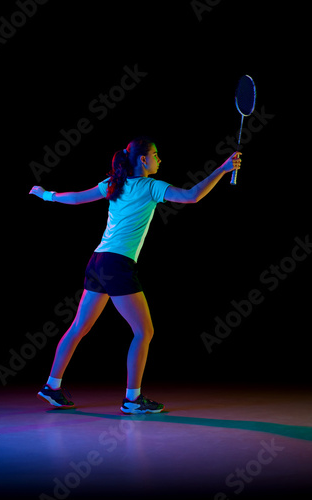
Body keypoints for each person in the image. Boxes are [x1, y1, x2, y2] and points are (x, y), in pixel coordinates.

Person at [29, 136, 241, 414]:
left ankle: (51, 386)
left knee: (79, 327)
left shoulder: (114, 185)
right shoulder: (151, 187)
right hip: (118, 265)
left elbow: (77, 199)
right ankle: (132, 399)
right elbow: (192, 196)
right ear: (143, 159)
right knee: (144, 331)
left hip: (98, 261)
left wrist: (44, 194)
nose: (159, 159)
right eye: (156, 155)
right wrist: (222, 169)